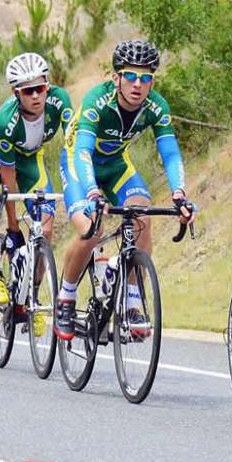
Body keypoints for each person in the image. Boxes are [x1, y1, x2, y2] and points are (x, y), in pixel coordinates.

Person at [55, 39, 196, 340]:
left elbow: (170, 153)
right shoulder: (98, 101)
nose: (138, 84)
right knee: (91, 229)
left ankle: (133, 300)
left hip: (116, 164)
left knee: (141, 209)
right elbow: (81, 150)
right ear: (116, 77)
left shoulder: (156, 107)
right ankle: (65, 298)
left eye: (146, 78)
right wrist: (92, 192)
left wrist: (179, 193)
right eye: (130, 76)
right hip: (79, 163)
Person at [0, 52, 72, 311]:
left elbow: (74, 140)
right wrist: (14, 227)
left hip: (30, 160)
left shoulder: (59, 100)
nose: (36, 96)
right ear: (17, 93)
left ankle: (32, 294)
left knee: (45, 231)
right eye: (29, 92)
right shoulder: (7, 120)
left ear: (48, 84)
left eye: (40, 88)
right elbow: (9, 180)